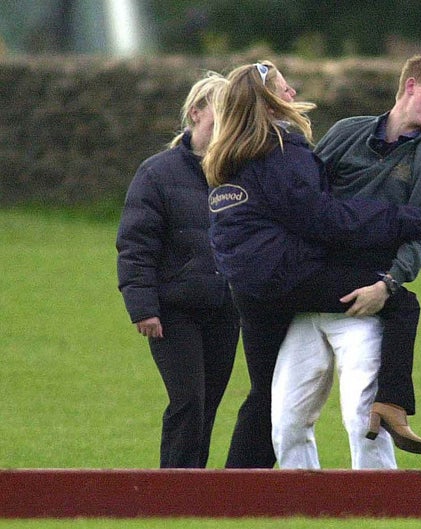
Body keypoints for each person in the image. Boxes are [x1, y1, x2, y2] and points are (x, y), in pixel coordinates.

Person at [203, 60, 421, 468]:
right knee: (403, 302)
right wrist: (401, 219)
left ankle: (236, 491)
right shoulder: (280, 151)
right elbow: (322, 217)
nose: (293, 93)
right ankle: (393, 404)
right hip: (289, 277)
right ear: (269, 101)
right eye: (284, 88)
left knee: (265, 396)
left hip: (247, 290)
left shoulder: (230, 154)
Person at [271, 54, 421, 468]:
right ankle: (300, 507)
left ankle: (381, 506)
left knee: (364, 415)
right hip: (312, 296)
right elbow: (307, 196)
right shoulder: (347, 132)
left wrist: (387, 285)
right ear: (410, 85)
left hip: (365, 301)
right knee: (286, 419)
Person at [116, 71, 240, 468]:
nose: (225, 132)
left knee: (207, 408)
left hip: (226, 311)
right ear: (194, 115)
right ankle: (170, 492)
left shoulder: (240, 173)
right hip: (174, 312)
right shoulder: (156, 173)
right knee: (188, 402)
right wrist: (143, 307)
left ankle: (193, 494)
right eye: (218, 121)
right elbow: (136, 244)